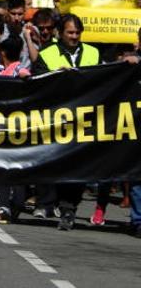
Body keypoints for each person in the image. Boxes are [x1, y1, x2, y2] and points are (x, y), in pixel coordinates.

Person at [32, 13, 100, 231]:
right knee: (55, 164)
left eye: (77, 33)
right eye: (70, 32)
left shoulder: (93, 52)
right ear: (60, 33)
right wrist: (55, 76)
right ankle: (52, 204)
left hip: (83, 120)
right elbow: (37, 82)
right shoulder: (47, 53)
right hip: (55, 120)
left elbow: (104, 78)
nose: (74, 36)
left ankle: (69, 208)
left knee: (79, 167)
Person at [0, 37, 29, 224]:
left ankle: (6, 208)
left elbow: (25, 74)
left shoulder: (16, 69)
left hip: (12, 128)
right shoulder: (2, 72)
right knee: (13, 169)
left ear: (3, 53)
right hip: (6, 127)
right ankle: (14, 205)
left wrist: (23, 75)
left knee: (3, 169)